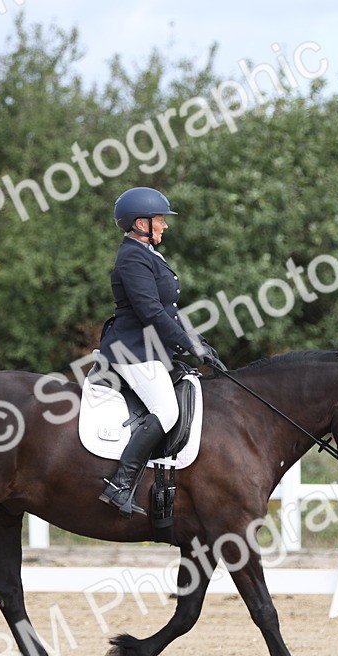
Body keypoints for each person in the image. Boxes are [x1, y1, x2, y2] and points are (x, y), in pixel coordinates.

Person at [96, 187, 227, 517]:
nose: (165, 226)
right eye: (160, 220)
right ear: (141, 223)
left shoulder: (148, 254)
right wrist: (185, 345)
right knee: (167, 411)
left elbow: (169, 309)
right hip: (132, 350)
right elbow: (151, 312)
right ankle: (120, 485)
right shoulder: (131, 258)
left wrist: (197, 341)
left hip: (149, 348)